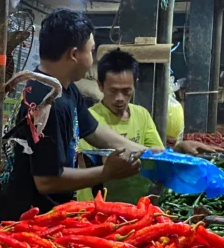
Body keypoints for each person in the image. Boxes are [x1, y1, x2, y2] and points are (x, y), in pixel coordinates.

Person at [0, 10, 145, 221]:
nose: (92, 58)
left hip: (52, 215)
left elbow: (93, 130)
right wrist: (107, 172)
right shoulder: (47, 102)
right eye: (91, 50)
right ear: (74, 54)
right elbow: (46, 181)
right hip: (29, 221)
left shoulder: (65, 88)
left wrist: (147, 152)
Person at [73, 50, 216, 204]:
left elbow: (157, 159)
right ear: (100, 86)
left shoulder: (142, 115)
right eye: (113, 91)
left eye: (126, 91)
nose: (120, 98)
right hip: (96, 206)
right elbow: (90, 163)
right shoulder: (89, 120)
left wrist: (178, 149)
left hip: (136, 205)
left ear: (135, 85)